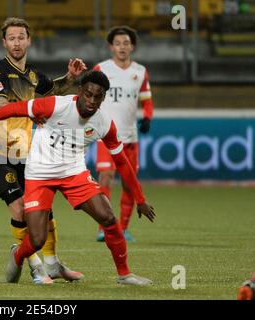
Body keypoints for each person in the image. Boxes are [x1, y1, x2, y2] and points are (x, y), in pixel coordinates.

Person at [0, 70, 156, 285]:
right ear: (80, 91)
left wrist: (140, 200)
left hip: (74, 174)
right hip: (40, 174)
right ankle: (18, 255)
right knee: (37, 240)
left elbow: (122, 162)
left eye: (98, 97)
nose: (91, 101)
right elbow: (14, 109)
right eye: (88, 94)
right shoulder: (55, 105)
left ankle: (124, 274)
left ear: (103, 98)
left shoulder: (104, 123)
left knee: (109, 218)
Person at [0, 17, 86, 284]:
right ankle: (35, 265)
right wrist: (30, 111)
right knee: (20, 209)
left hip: (28, 152)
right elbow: (2, 103)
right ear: (4, 42)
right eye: (11, 38)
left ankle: (53, 264)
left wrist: (71, 78)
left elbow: (53, 90)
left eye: (21, 37)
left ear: (29, 40)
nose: (16, 42)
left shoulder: (33, 75)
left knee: (43, 209)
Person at [93, 26, 154, 242]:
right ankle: (104, 228)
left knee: (129, 183)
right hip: (106, 136)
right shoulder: (101, 69)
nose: (122, 47)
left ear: (132, 46)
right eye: (118, 43)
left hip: (130, 138)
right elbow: (89, 96)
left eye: (126, 43)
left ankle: (124, 228)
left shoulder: (140, 72)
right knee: (106, 178)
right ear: (111, 46)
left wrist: (147, 117)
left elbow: (146, 101)